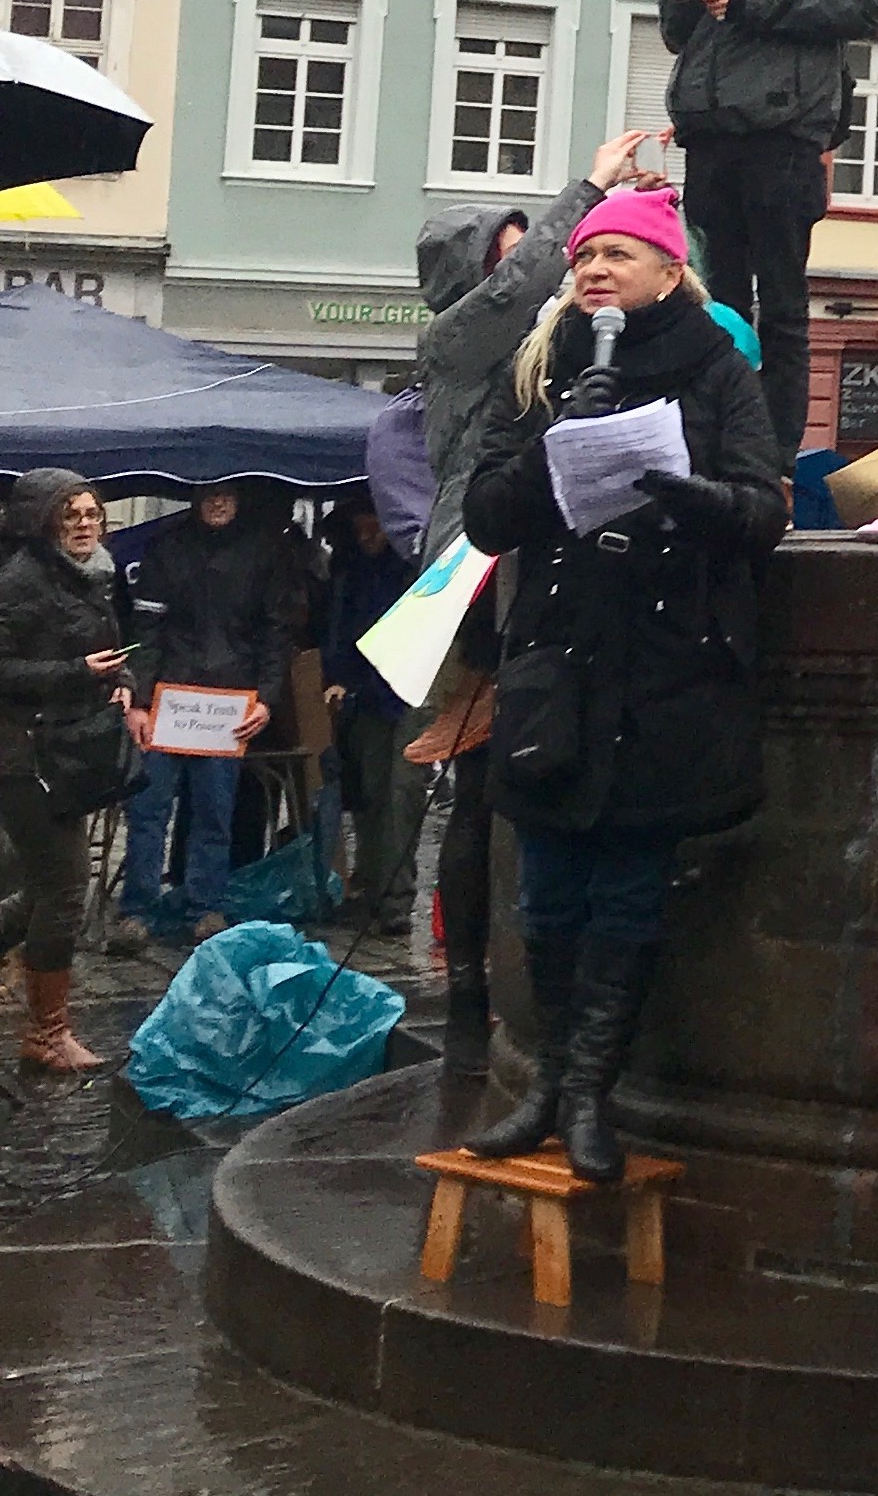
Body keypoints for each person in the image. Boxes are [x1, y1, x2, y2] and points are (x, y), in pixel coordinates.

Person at [460, 186, 783, 1184]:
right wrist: (563, 447)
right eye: (585, 254)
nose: (593, 268)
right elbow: (484, 514)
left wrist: (689, 493)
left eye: (618, 255)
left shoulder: (718, 369)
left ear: (668, 272)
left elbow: (760, 509)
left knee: (629, 896)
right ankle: (551, 1086)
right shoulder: (544, 365)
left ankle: (593, 1096)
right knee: (550, 895)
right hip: (560, 670)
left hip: (665, 675)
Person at [412, 124, 658, 1046]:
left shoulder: (536, 341)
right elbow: (524, 287)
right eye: (513, 257)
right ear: (469, 275)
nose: (548, 269)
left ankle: (502, 990)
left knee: (516, 786)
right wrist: (589, 191)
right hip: (476, 578)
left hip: (527, 570)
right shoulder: (455, 337)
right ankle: (473, 993)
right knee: (477, 795)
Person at [658, 0, 878, 458]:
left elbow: (865, 4)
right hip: (714, 131)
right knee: (719, 303)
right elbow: (678, 34)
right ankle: (720, 437)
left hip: (785, 131)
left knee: (782, 304)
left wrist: (758, 2)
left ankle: (776, 449)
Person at [115, 482, 298, 949]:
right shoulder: (166, 549)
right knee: (148, 810)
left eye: (228, 496)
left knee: (214, 813)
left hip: (228, 706)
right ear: (196, 500)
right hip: (166, 701)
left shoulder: (264, 555)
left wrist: (267, 700)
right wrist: (136, 700)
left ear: (241, 501)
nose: (218, 504)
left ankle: (205, 906)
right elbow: (146, 628)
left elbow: (277, 634)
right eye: (210, 496)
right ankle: (137, 911)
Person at [0, 471, 135, 1071]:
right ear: (44, 521)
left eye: (92, 513)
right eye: (71, 514)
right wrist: (78, 672)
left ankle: (46, 1031)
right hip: (21, 752)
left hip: (65, 749)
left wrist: (123, 683)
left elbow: (113, 646)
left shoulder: (95, 575)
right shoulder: (20, 582)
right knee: (65, 885)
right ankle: (47, 1035)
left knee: (43, 889)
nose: (85, 523)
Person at [319, 494, 419, 932]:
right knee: (371, 793)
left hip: (408, 690)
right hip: (367, 694)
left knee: (400, 793)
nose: (368, 531)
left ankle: (394, 897)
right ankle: (374, 885)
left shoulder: (405, 566)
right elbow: (342, 630)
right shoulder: (351, 568)